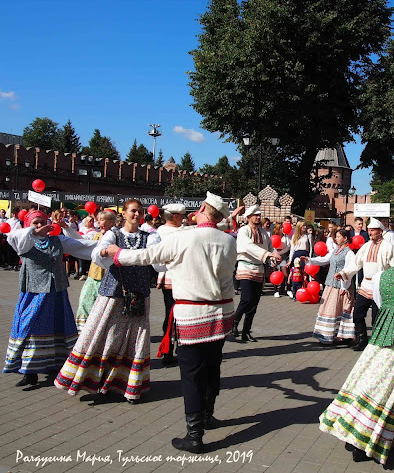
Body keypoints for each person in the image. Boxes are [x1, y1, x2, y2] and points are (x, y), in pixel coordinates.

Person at [103, 192, 236, 453]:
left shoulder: (183, 237)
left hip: (193, 315)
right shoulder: (228, 240)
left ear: (203, 209)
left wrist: (117, 254)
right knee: (212, 367)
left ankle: (194, 435)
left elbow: (146, 256)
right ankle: (208, 416)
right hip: (221, 315)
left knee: (192, 375)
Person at [319, 229, 394, 464]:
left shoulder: (382, 277)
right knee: (388, 384)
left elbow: (381, 304)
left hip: (382, 332)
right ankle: (362, 437)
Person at [55, 199, 160, 403]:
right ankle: (98, 382)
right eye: (133, 211)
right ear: (125, 213)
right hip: (113, 294)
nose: (136, 215)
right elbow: (98, 254)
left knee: (135, 340)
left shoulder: (150, 237)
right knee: (105, 335)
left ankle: (130, 386)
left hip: (138, 295)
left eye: (139, 211)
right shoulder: (114, 234)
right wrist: (104, 251)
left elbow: (158, 262)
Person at [4, 210, 97, 386]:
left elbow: (83, 246)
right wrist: (33, 232)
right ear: (27, 225)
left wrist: (107, 248)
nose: (39, 226)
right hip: (34, 293)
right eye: (35, 223)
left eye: (42, 222)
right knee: (30, 329)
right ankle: (29, 371)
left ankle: (57, 364)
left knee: (58, 326)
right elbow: (12, 238)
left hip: (56, 292)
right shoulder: (24, 241)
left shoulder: (57, 240)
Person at [338, 218, 394, 351]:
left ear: (380, 231)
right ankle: (362, 339)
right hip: (365, 285)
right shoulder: (366, 246)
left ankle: (376, 342)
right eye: (369, 230)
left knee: (377, 317)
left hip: (380, 286)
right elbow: (355, 263)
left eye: (373, 230)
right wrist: (343, 273)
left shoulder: (388, 246)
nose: (370, 232)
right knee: (357, 313)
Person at [232, 205, 281, 342]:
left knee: (254, 303)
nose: (258, 217)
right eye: (255, 215)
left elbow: (271, 247)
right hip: (246, 267)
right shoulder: (244, 231)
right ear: (248, 217)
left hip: (259, 269)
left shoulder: (264, 233)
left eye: (259, 215)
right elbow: (248, 247)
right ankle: (234, 323)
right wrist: (267, 254)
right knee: (246, 299)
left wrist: (275, 255)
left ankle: (246, 331)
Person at [301, 228, 356, 345]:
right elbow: (325, 259)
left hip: (340, 287)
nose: (336, 239)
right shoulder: (335, 250)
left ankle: (341, 336)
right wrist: (310, 260)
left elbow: (350, 270)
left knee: (337, 310)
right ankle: (326, 335)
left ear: (345, 239)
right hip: (330, 284)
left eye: (338, 236)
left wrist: (344, 287)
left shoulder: (349, 253)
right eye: (336, 236)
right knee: (328, 309)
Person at [69, 210, 117, 331]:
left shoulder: (116, 236)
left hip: (108, 278)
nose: (99, 222)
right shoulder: (95, 235)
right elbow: (80, 241)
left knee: (103, 309)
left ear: (111, 222)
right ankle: (83, 331)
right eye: (99, 220)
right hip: (92, 276)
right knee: (85, 303)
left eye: (102, 220)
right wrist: (67, 228)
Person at [155, 203, 187, 366]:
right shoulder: (178, 231)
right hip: (175, 278)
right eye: (181, 215)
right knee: (174, 315)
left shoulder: (159, 231)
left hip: (171, 278)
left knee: (171, 314)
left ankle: (170, 350)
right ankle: (170, 351)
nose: (183, 218)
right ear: (175, 216)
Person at [272, 222, 291, 298]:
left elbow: (288, 247)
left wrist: (280, 253)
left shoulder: (285, 237)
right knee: (275, 274)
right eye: (281, 228)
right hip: (274, 255)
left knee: (285, 274)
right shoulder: (274, 237)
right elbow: (272, 247)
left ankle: (287, 289)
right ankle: (276, 290)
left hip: (283, 255)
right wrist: (274, 256)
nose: (283, 229)